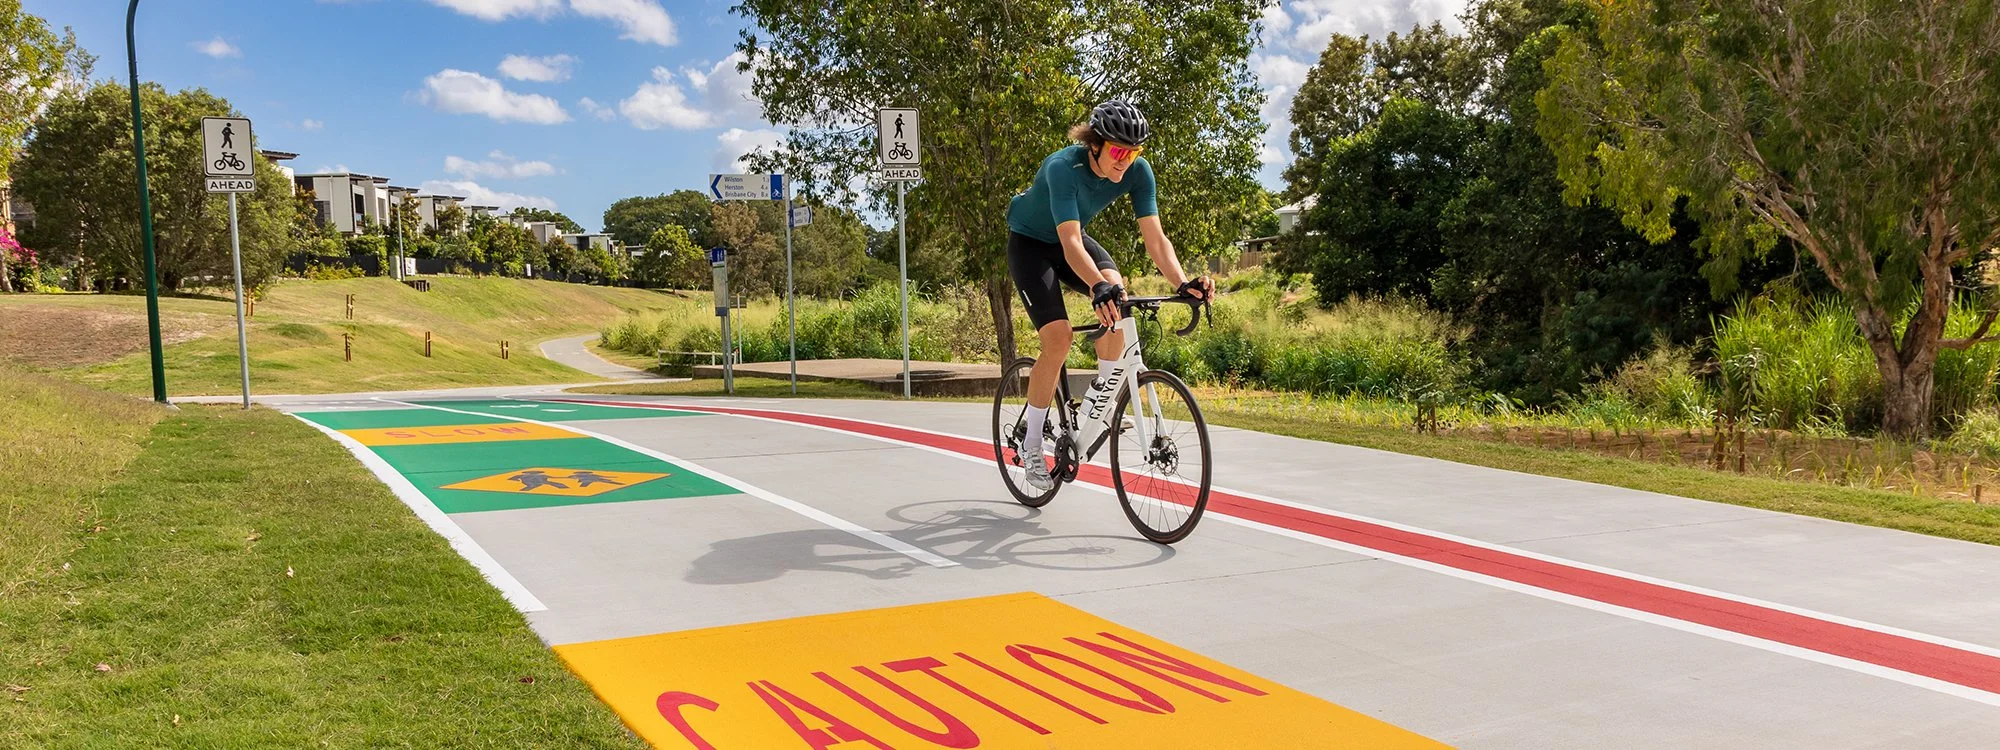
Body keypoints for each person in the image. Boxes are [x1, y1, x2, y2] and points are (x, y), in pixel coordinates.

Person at [1005, 98, 1213, 491]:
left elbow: (1155, 237)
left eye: (1134, 152)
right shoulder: (1063, 168)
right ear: (1095, 144)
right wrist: (1096, 285)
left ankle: (1100, 400)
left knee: (1118, 301)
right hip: (1032, 245)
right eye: (1119, 151)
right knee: (1059, 338)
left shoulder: (1137, 171)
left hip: (1074, 241)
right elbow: (1068, 242)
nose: (1126, 160)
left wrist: (1182, 283)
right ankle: (1032, 443)